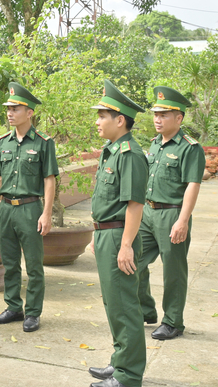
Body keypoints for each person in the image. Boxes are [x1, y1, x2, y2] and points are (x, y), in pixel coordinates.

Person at [87, 79, 148, 387]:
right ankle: (120, 361)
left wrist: (126, 246)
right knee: (114, 304)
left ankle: (128, 376)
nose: (97, 121)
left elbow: (135, 205)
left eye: (102, 116)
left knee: (124, 305)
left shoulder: (130, 154)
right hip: (104, 235)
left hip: (118, 236)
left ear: (120, 120)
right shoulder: (111, 151)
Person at [0, 82, 58, 333]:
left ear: (30, 113)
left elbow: (50, 179)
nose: (10, 113)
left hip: (30, 209)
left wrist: (46, 213)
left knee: (34, 265)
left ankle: (34, 312)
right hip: (6, 208)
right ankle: (14, 307)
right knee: (9, 262)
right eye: (8, 108)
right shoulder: (2, 142)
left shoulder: (43, 142)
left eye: (16, 108)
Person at [137, 86, 205, 340]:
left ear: (179, 118)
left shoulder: (190, 148)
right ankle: (145, 310)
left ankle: (173, 321)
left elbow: (192, 185)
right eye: (156, 114)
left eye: (164, 114)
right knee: (133, 262)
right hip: (147, 213)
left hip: (172, 215)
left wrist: (183, 220)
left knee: (173, 272)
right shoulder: (154, 145)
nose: (158, 119)